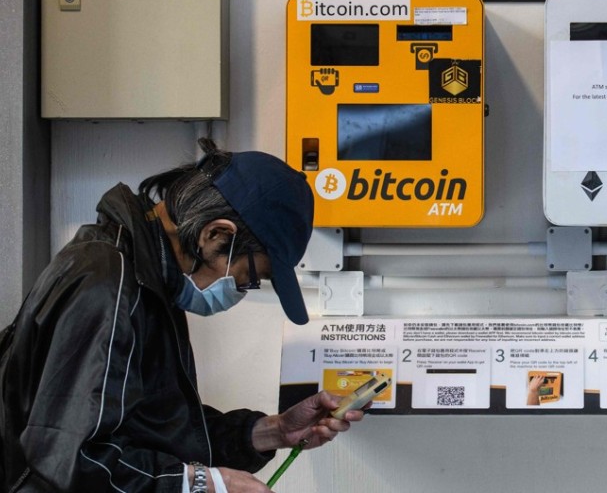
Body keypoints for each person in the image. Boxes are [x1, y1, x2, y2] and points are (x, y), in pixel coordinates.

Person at [0, 140, 366, 492]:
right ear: (215, 234)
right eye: (254, 275)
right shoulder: (106, 286)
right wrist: (199, 483)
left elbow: (156, 425)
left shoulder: (150, 283)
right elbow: (67, 457)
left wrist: (274, 430)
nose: (243, 287)